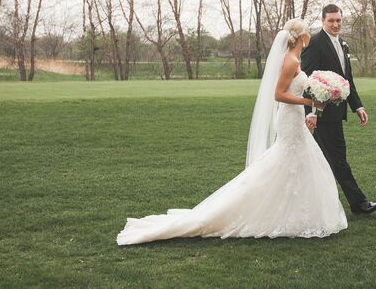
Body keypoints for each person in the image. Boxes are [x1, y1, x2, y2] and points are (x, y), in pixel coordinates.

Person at [116, 18, 347, 245]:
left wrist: (310, 108)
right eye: (308, 33)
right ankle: (272, 211)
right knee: (289, 163)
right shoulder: (290, 62)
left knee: (298, 165)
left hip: (294, 118)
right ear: (303, 37)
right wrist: (309, 103)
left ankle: (295, 212)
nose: (309, 36)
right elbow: (278, 94)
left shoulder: (293, 58)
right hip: (289, 120)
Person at [301, 4, 376, 215]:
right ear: (322, 21)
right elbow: (307, 82)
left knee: (324, 161)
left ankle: (313, 203)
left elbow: (348, 80)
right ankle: (359, 203)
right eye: (331, 21)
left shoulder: (343, 44)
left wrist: (358, 106)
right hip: (321, 115)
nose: (336, 24)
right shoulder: (315, 44)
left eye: (339, 20)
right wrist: (312, 113)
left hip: (337, 112)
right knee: (337, 159)